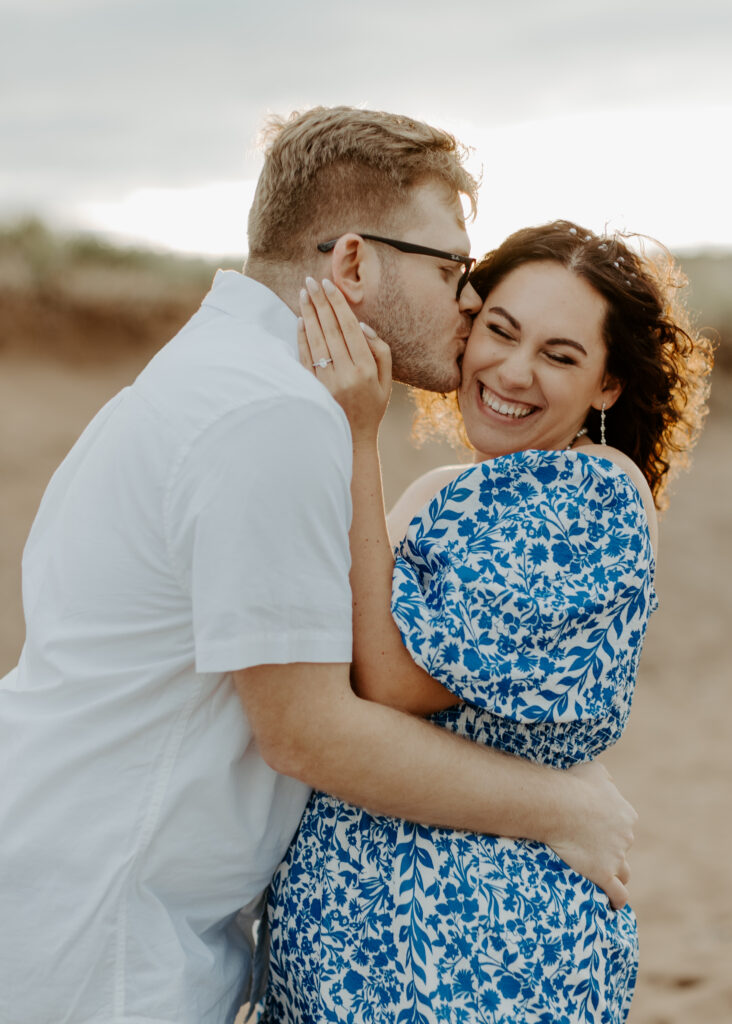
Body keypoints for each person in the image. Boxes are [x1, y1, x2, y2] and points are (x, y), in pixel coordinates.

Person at [0, 108, 638, 1024]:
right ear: (351, 263)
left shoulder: (203, 380)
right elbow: (310, 732)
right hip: (101, 932)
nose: (466, 302)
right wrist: (562, 808)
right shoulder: (273, 418)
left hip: (84, 883)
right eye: (451, 268)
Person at [262, 221, 713, 1022]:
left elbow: (392, 681)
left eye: (560, 355)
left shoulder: (596, 494)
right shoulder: (446, 488)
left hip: (480, 950)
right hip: (361, 952)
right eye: (499, 332)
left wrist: (359, 432)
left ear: (608, 387)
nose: (513, 370)